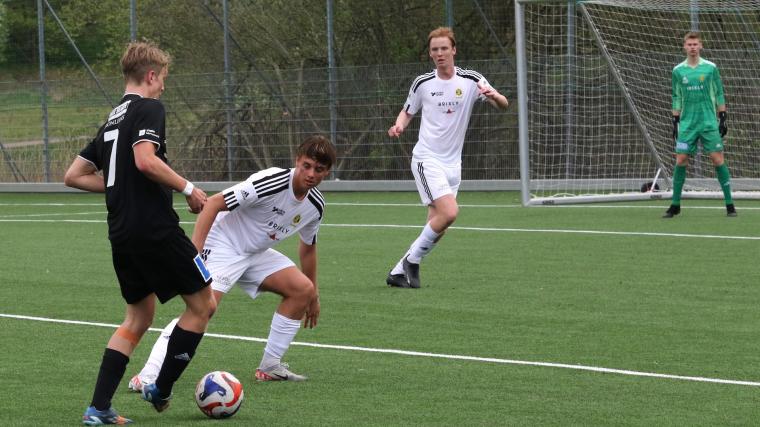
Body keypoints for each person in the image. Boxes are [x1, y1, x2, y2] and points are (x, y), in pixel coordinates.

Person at [64, 41, 217, 425]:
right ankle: (161, 389)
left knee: (138, 316)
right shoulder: (150, 108)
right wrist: (188, 189)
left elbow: (73, 175)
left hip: (121, 233)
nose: (163, 86)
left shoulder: (111, 120)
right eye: (163, 78)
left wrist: (118, 187)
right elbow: (145, 159)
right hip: (154, 229)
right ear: (150, 75)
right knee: (203, 304)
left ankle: (98, 408)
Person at [127, 135, 335, 390]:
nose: (311, 174)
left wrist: (314, 293)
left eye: (319, 169)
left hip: (254, 252)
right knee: (203, 308)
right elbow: (213, 204)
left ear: (327, 172)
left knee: (302, 290)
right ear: (297, 161)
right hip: (223, 242)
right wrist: (194, 256)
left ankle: (270, 366)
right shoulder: (272, 181)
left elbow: (308, 249)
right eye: (306, 166)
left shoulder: (315, 205)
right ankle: (148, 375)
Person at [385, 27, 508, 289]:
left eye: (444, 48)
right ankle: (413, 261)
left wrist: (494, 96)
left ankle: (397, 272)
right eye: (434, 50)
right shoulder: (423, 83)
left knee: (438, 226)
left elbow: (504, 105)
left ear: (454, 50)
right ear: (430, 54)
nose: (439, 53)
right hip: (427, 159)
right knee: (449, 212)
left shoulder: (471, 79)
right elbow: (407, 111)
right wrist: (399, 126)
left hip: (454, 165)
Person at [664, 31, 736, 218]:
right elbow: (676, 96)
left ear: (701, 46)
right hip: (687, 124)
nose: (693, 47)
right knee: (681, 160)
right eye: (689, 44)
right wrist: (675, 121)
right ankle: (675, 205)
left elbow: (719, 92)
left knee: (717, 159)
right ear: (684, 46)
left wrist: (723, 116)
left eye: (695, 44)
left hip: (708, 123)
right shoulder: (678, 70)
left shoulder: (711, 68)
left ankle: (730, 205)